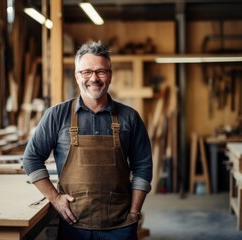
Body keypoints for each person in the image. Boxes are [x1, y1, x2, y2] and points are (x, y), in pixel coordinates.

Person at [23, 40, 153, 240]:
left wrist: (134, 213)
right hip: (73, 224)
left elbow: (143, 167)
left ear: (110, 75)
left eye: (101, 71)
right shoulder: (57, 115)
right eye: (86, 72)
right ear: (77, 76)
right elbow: (31, 159)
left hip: (121, 226)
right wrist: (55, 199)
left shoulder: (130, 117)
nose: (94, 78)